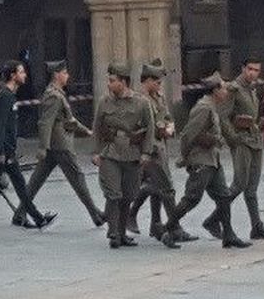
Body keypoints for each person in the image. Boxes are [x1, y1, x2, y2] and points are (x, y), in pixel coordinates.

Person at [161, 73, 249, 249]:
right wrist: (185, 158)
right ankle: (168, 228)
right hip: (201, 160)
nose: (225, 90)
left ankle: (229, 235)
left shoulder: (212, 106)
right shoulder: (204, 108)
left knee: (223, 197)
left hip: (213, 159)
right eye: (223, 87)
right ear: (215, 90)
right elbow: (188, 134)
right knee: (192, 198)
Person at [25, 60, 104, 227]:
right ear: (57, 75)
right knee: (78, 179)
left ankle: (20, 213)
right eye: (65, 73)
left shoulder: (58, 94)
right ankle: (96, 215)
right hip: (60, 145)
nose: (67, 76)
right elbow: (46, 123)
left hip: (56, 145)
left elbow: (69, 121)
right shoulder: (54, 96)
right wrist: (42, 147)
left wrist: (86, 131)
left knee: (36, 181)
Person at [0, 62, 52, 229]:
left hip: (7, 149)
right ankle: (37, 218)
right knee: (10, 186)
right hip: (4, 151)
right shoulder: (5, 97)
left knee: (1, 185)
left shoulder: (9, 96)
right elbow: (0, 125)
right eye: (21, 72)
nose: (24, 75)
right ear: (13, 75)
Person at [92, 62, 154, 249]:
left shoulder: (141, 102)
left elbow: (149, 128)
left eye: (112, 81)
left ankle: (121, 232)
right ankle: (113, 232)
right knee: (113, 194)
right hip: (110, 152)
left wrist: (146, 152)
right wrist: (96, 152)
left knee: (128, 195)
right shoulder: (104, 102)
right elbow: (96, 127)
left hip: (132, 153)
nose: (109, 85)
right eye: (109, 81)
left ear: (123, 82)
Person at [220, 59, 264, 241]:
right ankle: (214, 218)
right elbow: (223, 117)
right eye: (250, 69)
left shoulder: (252, 89)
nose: (253, 73)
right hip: (242, 141)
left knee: (252, 188)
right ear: (243, 69)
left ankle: (257, 226)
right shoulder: (234, 89)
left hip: (254, 140)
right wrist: (233, 138)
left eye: (257, 70)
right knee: (239, 184)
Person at [134, 60, 192, 244]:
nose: (159, 85)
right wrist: (158, 130)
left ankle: (155, 223)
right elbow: (138, 125)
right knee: (167, 189)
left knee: (156, 187)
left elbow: (167, 117)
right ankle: (174, 227)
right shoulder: (140, 100)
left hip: (161, 146)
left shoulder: (158, 97)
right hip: (149, 150)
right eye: (156, 82)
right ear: (147, 81)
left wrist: (168, 126)